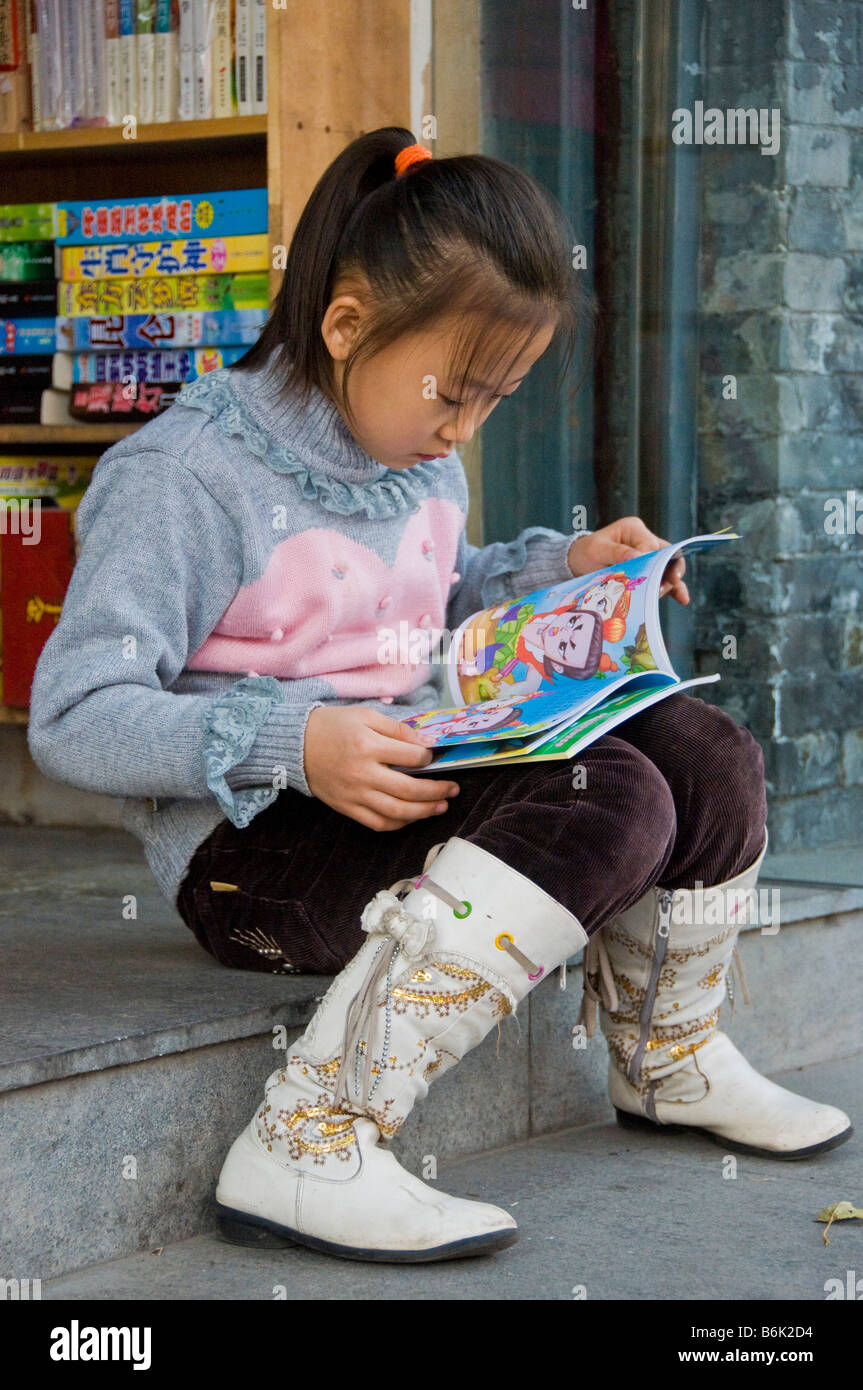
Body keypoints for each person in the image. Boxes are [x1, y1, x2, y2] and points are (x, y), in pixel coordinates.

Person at [28, 129, 852, 1265]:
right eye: (455, 394)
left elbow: (433, 591)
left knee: (701, 750)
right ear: (346, 324)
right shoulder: (182, 481)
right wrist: (296, 739)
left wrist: (563, 570)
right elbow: (74, 712)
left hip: (408, 772)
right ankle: (310, 1131)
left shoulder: (419, 455)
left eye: (496, 398)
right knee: (605, 796)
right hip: (252, 855)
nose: (465, 429)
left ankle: (666, 1052)